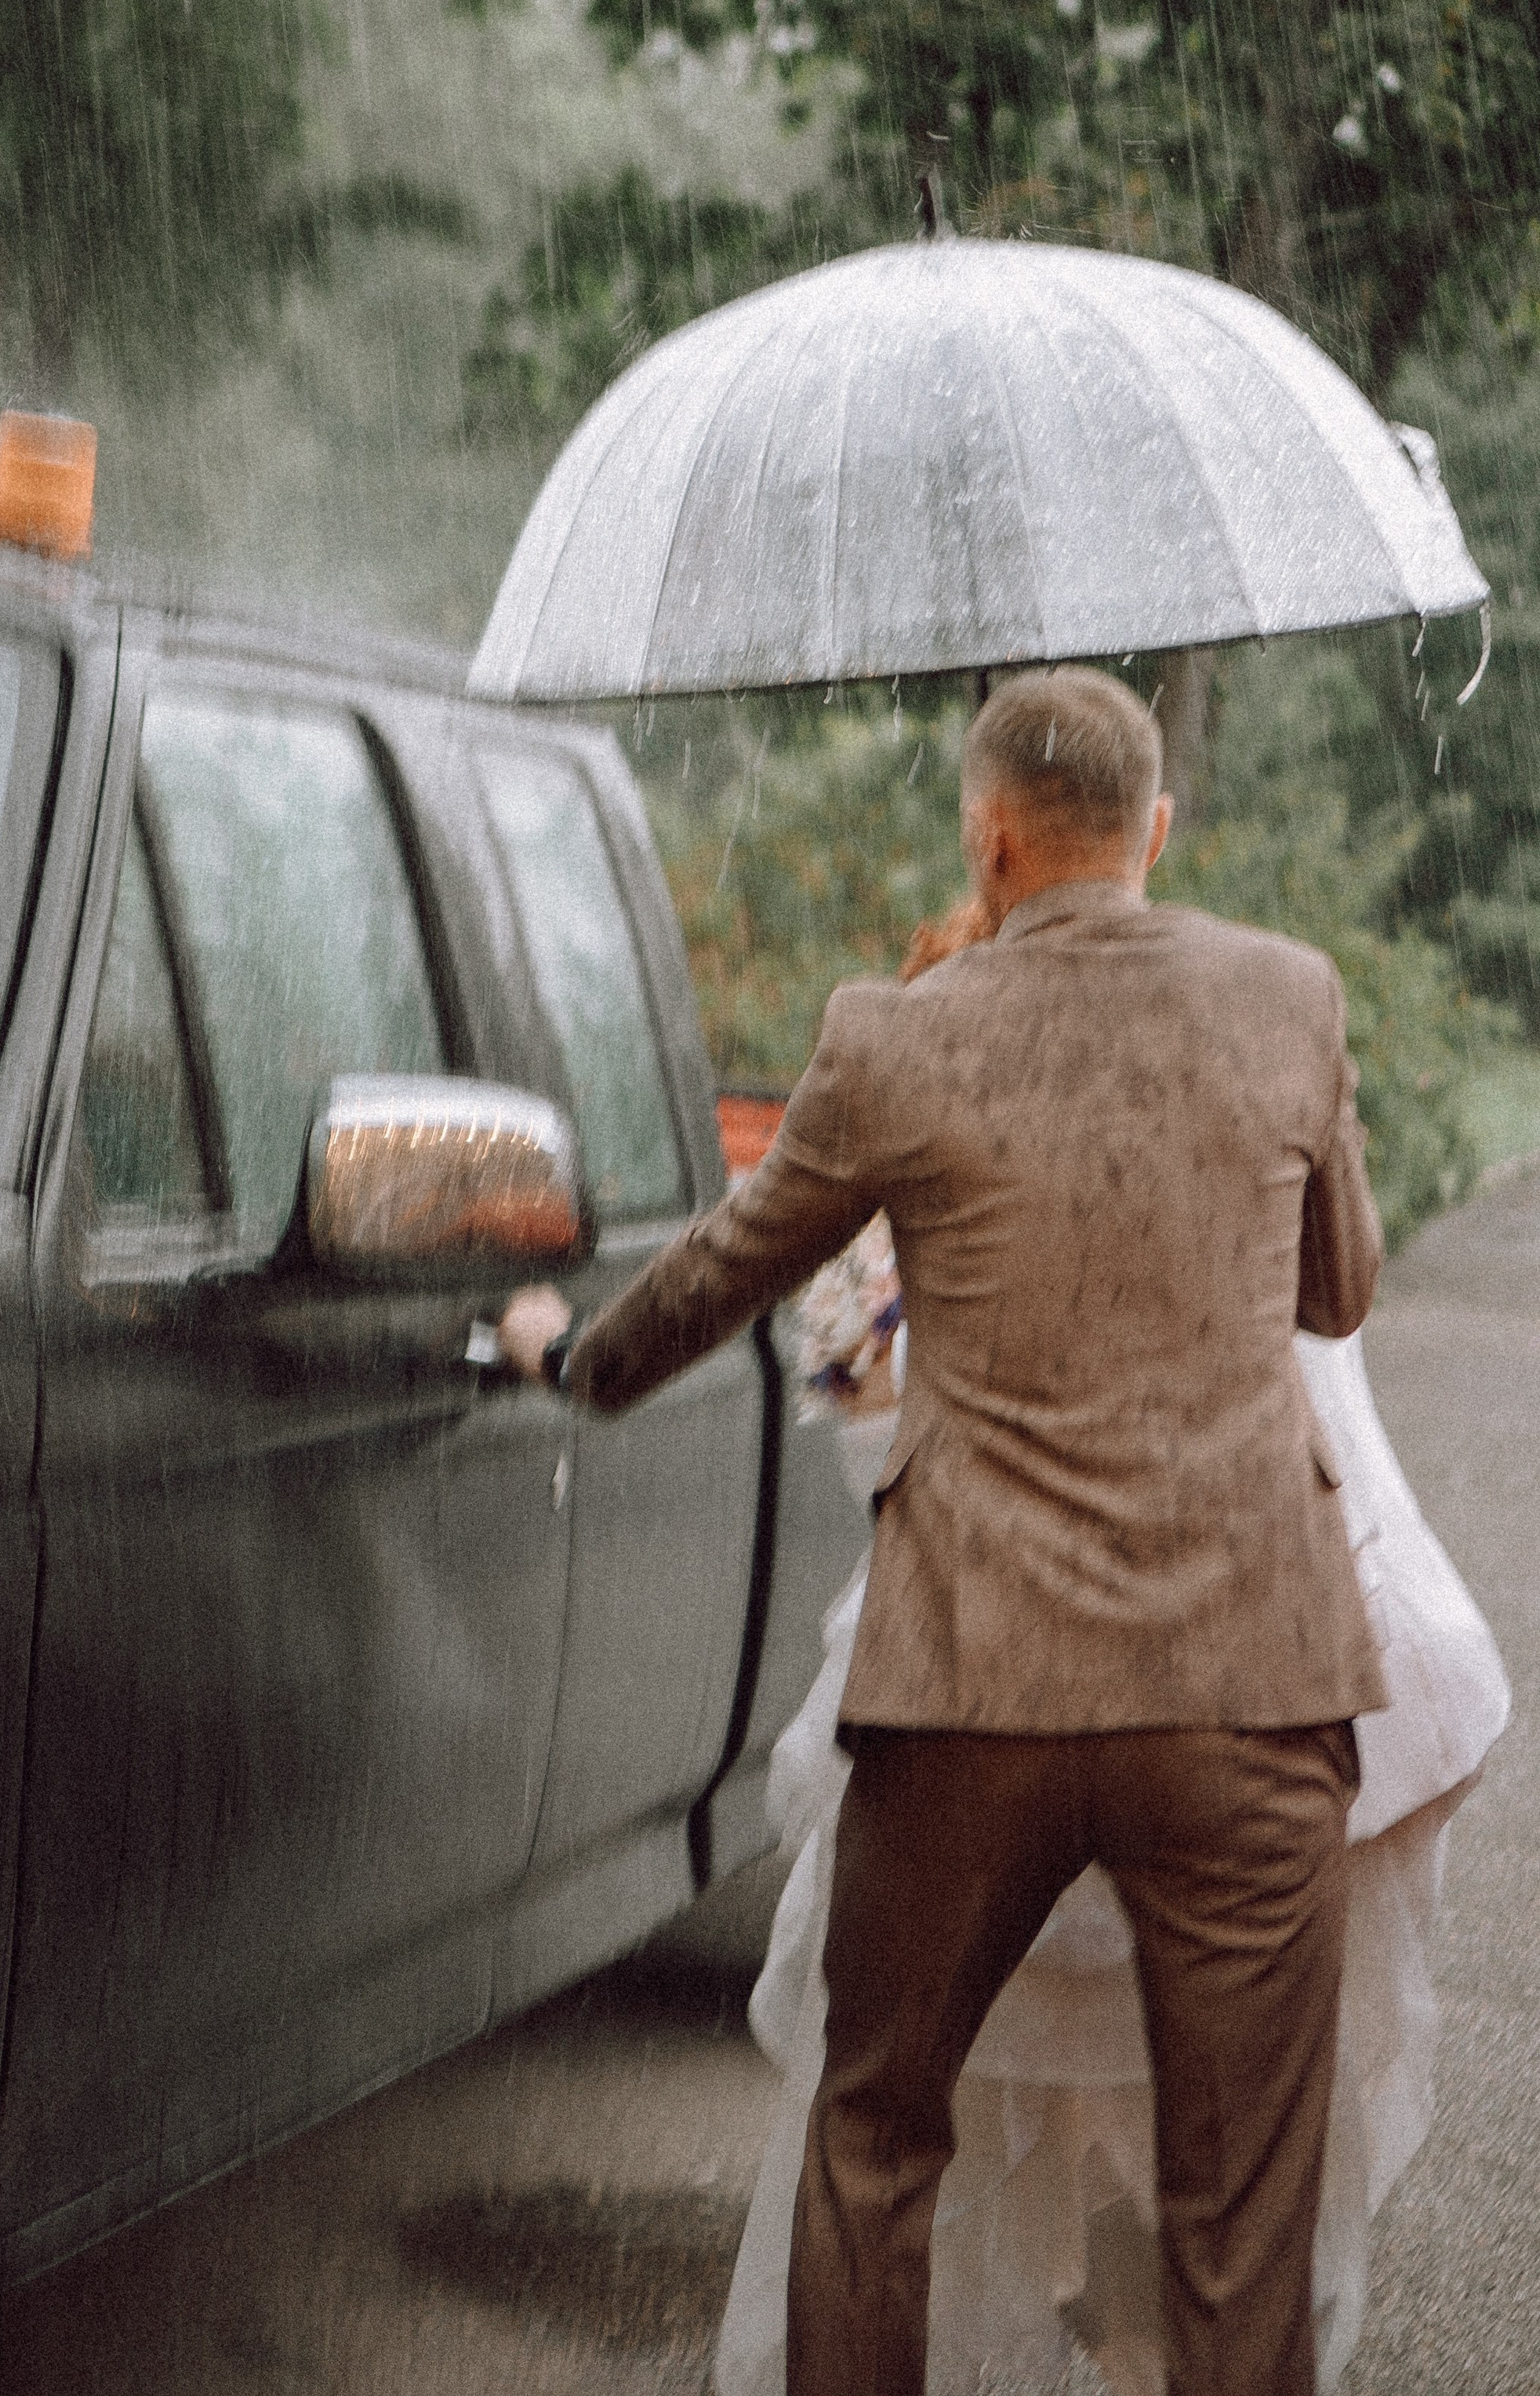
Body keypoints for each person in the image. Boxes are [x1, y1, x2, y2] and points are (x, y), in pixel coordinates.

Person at [499, 664, 1386, 2396]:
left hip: (972, 1689)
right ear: (1152, 830)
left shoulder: (896, 1033)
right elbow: (1335, 1290)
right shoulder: (1287, 996)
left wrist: (570, 1361)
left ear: (985, 837)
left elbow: (721, 1274)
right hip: (1243, 1686)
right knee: (1228, 2217)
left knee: (877, 2137)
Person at [708, 911, 1507, 2396]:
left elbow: (863, 1451)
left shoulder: (883, 1180)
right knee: (1219, 2174)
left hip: (983, 1709)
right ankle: (1148, 2357)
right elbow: (1347, 1385)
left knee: (945, 2143)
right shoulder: (1244, 1079)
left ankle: (1075, 2343)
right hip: (1262, 1712)